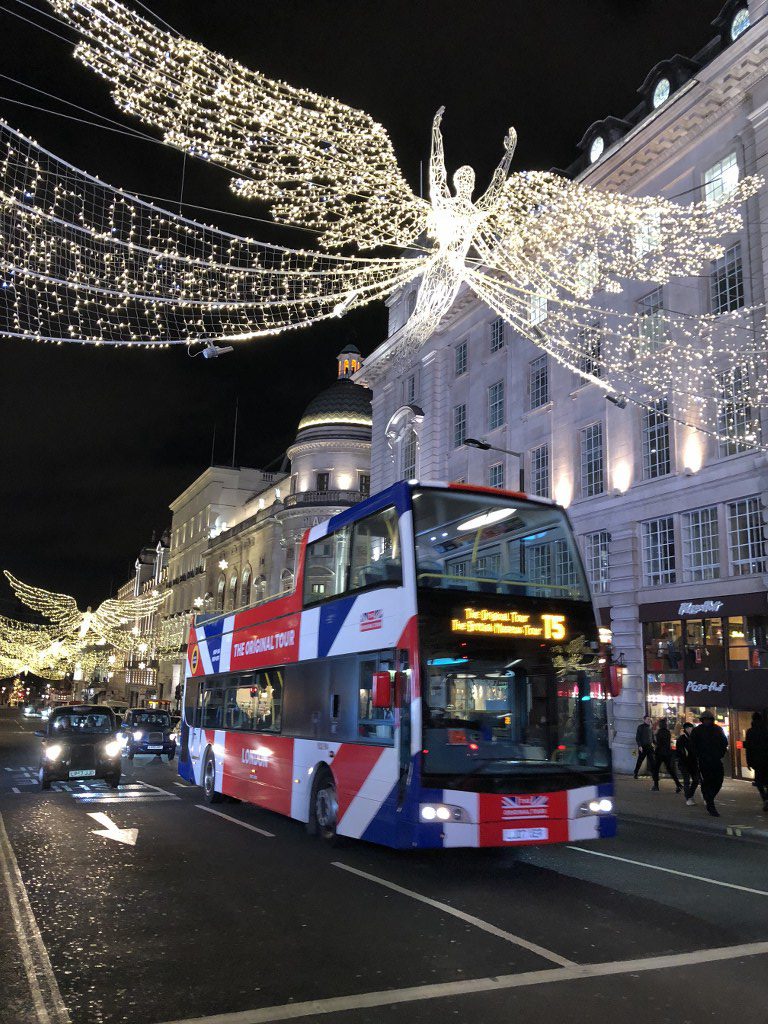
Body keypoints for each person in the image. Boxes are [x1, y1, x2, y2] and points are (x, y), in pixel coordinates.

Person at [690, 710, 728, 816]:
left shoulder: (717, 729)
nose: (707, 721)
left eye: (708, 719)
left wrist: (720, 754)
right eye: (705, 719)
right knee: (707, 782)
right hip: (704, 760)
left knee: (718, 781)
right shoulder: (698, 731)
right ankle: (710, 803)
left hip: (715, 760)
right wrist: (698, 756)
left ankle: (709, 799)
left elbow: (724, 743)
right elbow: (693, 746)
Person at [651, 717, 682, 793]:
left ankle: (656, 785)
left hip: (659, 753)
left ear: (660, 725)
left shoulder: (659, 732)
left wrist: (653, 740)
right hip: (667, 753)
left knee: (655, 769)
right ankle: (678, 784)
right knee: (670, 769)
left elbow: (658, 743)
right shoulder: (668, 732)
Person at [744, 711, 768, 812]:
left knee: (759, 782)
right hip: (766, 760)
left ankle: (765, 799)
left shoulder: (750, 731)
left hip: (757, 761)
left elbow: (748, 748)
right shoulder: (766, 730)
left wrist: (749, 762)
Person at [676, 721, 699, 805]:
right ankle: (688, 798)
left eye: (691, 728)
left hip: (693, 763)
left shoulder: (694, 738)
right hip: (684, 763)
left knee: (696, 780)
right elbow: (679, 751)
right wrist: (684, 755)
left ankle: (690, 795)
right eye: (689, 728)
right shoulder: (681, 739)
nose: (690, 730)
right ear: (685, 729)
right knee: (686, 781)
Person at [634, 714, 655, 779]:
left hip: (649, 746)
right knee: (640, 760)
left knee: (652, 761)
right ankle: (636, 773)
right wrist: (639, 746)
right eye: (648, 719)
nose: (649, 720)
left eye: (650, 719)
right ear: (644, 720)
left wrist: (654, 743)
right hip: (643, 747)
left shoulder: (650, 727)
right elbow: (638, 737)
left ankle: (654, 774)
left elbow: (652, 737)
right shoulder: (640, 727)